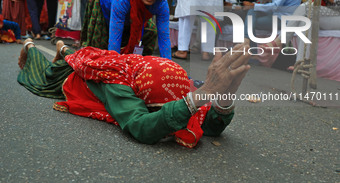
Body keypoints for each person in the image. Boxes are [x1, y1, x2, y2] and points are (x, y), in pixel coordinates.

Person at [17, 37, 250, 147]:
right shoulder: (119, 87)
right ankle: (31, 44)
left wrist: (224, 97)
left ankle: (65, 48)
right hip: (73, 77)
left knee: (81, 53)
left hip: (115, 60)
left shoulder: (173, 80)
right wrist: (201, 94)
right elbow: (140, 127)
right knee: (42, 73)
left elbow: (205, 121)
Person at [81, 0, 172, 59]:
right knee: (99, 50)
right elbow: (114, 40)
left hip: (131, 16)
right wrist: (115, 66)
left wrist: (170, 68)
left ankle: (138, 65)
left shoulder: (161, 3)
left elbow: (164, 37)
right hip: (104, 7)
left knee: (150, 31)